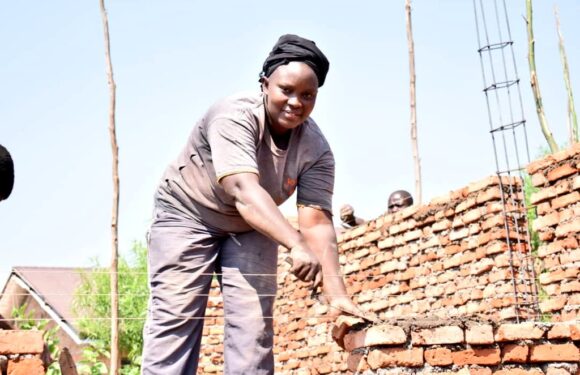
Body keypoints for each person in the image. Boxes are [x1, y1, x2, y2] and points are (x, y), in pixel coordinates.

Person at [141, 34, 363, 375]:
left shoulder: (316, 150)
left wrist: (337, 294)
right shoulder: (232, 115)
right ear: (264, 84)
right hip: (187, 215)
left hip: (253, 225)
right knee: (177, 318)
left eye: (308, 95)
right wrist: (295, 244)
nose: (295, 102)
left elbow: (316, 223)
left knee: (253, 330)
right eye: (286, 90)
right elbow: (243, 190)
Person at [339, 190, 414, 228]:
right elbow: (369, 225)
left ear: (410, 206)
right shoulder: (386, 221)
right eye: (391, 207)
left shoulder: (418, 219)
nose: (394, 209)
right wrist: (351, 218)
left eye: (398, 205)